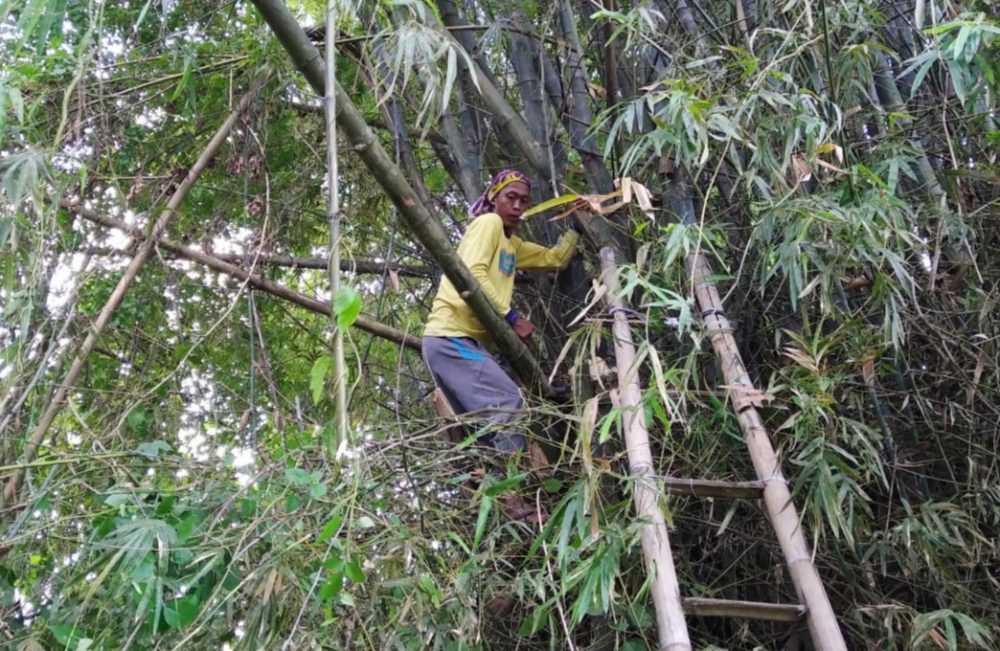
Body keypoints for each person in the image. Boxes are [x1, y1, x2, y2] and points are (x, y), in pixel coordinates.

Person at [422, 168, 581, 459]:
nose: (518, 206)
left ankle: (497, 495)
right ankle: (513, 493)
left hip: (459, 345)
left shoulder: (512, 244)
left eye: (524, 200)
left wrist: (577, 227)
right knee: (508, 404)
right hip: (451, 339)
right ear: (494, 196)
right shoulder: (489, 222)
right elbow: (472, 273)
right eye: (511, 197)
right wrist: (511, 317)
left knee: (482, 432)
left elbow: (553, 258)